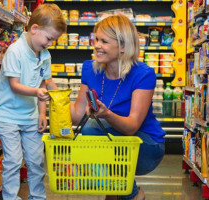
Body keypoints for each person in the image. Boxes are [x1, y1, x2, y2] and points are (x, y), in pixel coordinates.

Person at [70, 14, 165, 200]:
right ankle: (117, 192)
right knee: (92, 129)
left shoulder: (143, 74)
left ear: (122, 46)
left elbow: (131, 127)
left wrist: (106, 114)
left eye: (104, 41)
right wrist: (52, 95)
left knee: (92, 128)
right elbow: (76, 116)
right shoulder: (91, 69)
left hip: (145, 147)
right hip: (113, 145)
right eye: (96, 39)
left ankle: (132, 194)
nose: (97, 45)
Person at [0, 4, 66, 200]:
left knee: (36, 160)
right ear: (34, 29)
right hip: (7, 115)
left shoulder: (45, 55)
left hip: (30, 116)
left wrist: (42, 114)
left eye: (54, 40)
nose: (50, 43)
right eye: (49, 38)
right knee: (14, 161)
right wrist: (37, 92)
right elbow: (15, 85)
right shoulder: (15, 51)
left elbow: (43, 82)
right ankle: (10, 197)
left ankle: (37, 197)